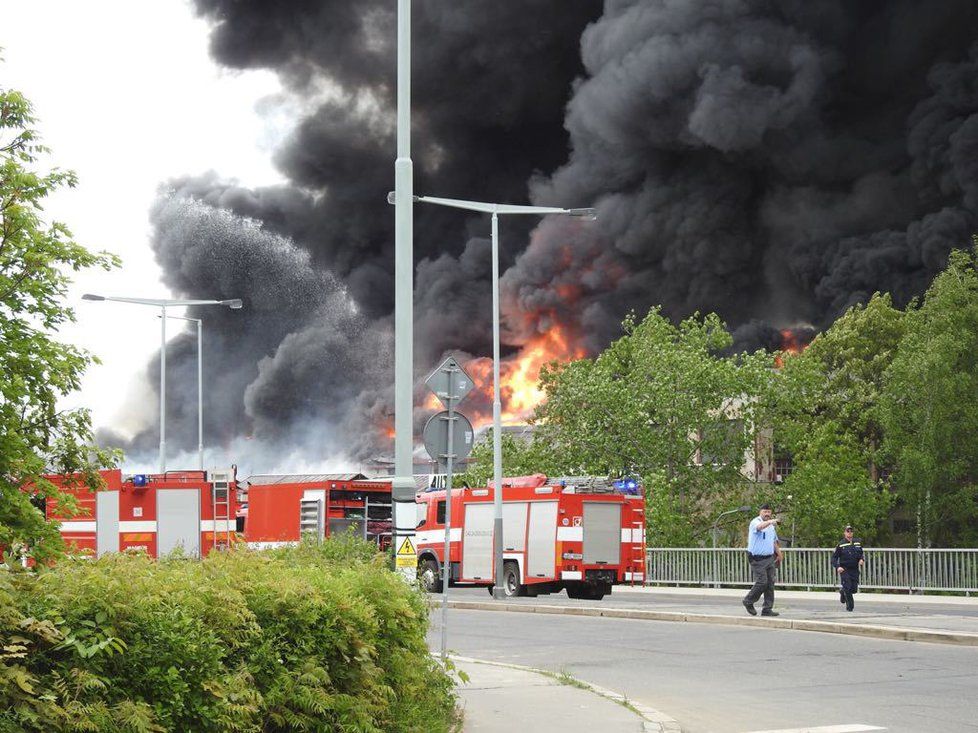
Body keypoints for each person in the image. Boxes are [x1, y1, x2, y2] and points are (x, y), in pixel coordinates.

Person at [742, 503, 783, 617]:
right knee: (762, 582)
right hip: (757, 558)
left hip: (769, 557)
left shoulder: (771, 526)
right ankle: (748, 601)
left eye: (769, 512)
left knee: (770, 583)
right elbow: (759, 527)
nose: (767, 514)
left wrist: (779, 554)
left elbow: (774, 542)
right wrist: (771, 521)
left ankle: (767, 609)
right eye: (765, 512)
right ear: (760, 512)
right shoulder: (755, 522)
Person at [832, 524, 864, 612]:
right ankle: (850, 607)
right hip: (844, 569)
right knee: (847, 586)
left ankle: (842, 592)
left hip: (854, 569)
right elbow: (834, 558)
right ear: (844, 533)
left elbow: (860, 553)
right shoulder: (841, 544)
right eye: (848, 531)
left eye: (851, 531)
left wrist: (861, 559)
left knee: (853, 589)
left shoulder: (857, 542)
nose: (849, 533)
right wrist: (838, 567)